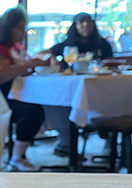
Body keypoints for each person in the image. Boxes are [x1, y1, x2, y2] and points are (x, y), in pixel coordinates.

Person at [0, 6, 46, 172]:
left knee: (40, 106)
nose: (24, 32)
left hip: (12, 96)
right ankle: (18, 157)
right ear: (9, 28)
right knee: (33, 111)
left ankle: (20, 155)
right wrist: (26, 66)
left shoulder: (13, 48)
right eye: (21, 27)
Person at [38, 12, 113, 157]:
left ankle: (108, 138)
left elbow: (110, 64)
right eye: (82, 22)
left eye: (89, 22)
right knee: (57, 104)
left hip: (97, 88)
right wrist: (52, 57)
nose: (86, 25)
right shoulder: (68, 45)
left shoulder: (102, 44)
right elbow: (41, 53)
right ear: (75, 25)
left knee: (109, 99)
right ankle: (66, 142)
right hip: (70, 90)